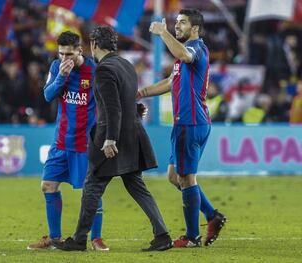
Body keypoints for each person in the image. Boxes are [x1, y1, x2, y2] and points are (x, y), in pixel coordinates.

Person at [52, 26, 173, 252]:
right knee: (137, 186)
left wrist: (109, 139)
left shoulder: (103, 70)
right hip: (133, 134)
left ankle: (79, 240)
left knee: (92, 186)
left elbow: (112, 107)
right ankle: (162, 235)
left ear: (95, 45)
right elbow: (125, 100)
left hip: (113, 137)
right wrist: (136, 110)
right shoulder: (126, 64)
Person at [137, 9, 226, 247]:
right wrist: (142, 93)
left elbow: (184, 55)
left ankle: (192, 236)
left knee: (186, 178)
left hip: (191, 122)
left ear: (195, 28)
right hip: (184, 123)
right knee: (175, 176)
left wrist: (163, 32)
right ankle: (211, 215)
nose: (177, 26)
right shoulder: (184, 55)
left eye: (182, 23)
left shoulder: (196, 48)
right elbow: (170, 81)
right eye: (175, 23)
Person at [27, 31, 109, 251]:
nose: (65, 58)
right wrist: (62, 77)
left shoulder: (94, 70)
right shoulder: (56, 68)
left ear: (80, 51)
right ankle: (54, 239)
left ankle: (97, 238)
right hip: (61, 141)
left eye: (69, 54)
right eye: (61, 53)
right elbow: (47, 95)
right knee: (47, 185)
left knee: (90, 191)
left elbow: (109, 99)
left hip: (85, 144)